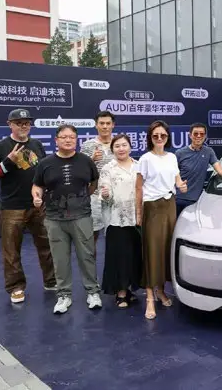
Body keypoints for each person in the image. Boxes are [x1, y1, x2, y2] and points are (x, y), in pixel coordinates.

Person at [0, 108, 55, 304]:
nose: (23, 126)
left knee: (47, 245)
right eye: (19, 123)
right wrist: (7, 162)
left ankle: (51, 280)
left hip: (38, 205)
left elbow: (43, 171)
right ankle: (16, 287)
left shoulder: (37, 144)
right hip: (11, 207)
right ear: (10, 124)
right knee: (11, 250)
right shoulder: (0, 146)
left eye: (26, 123)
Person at [32, 124, 102, 314]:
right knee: (60, 259)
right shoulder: (45, 163)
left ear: (76, 140)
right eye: (63, 137)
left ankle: (93, 292)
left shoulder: (86, 161)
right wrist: (36, 196)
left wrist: (80, 200)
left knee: (87, 256)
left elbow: (93, 184)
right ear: (56, 140)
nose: (68, 140)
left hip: (82, 217)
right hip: (54, 219)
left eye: (72, 137)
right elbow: (37, 185)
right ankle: (64, 295)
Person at [135, 121, 188, 320]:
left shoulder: (172, 157)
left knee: (166, 251)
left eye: (163, 135)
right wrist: (138, 213)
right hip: (153, 207)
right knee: (152, 251)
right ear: (150, 138)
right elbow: (138, 188)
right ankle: (149, 297)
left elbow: (177, 181)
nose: (159, 138)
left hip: (169, 206)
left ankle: (161, 290)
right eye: (155, 135)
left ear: (167, 137)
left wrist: (181, 186)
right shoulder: (145, 159)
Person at [99, 134, 142, 308]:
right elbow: (105, 193)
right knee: (119, 258)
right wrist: (106, 194)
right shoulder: (108, 168)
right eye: (117, 146)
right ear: (112, 150)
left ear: (130, 147)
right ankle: (121, 292)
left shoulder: (139, 166)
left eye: (124, 145)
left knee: (134, 256)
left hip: (137, 218)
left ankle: (130, 288)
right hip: (117, 220)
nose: (121, 149)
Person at [175, 123, 222, 217]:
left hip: (197, 202)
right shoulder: (180, 153)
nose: (199, 136)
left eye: (201, 134)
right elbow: (173, 173)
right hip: (179, 199)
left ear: (205, 136)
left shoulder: (208, 152)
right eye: (196, 133)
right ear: (190, 135)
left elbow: (219, 169)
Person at [80, 111, 117, 254]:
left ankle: (113, 268)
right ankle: (90, 267)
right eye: (102, 123)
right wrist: (92, 160)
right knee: (91, 237)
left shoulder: (119, 144)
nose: (105, 126)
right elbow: (80, 171)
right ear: (96, 125)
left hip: (115, 197)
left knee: (115, 237)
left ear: (113, 125)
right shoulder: (88, 145)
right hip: (94, 196)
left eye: (108, 123)